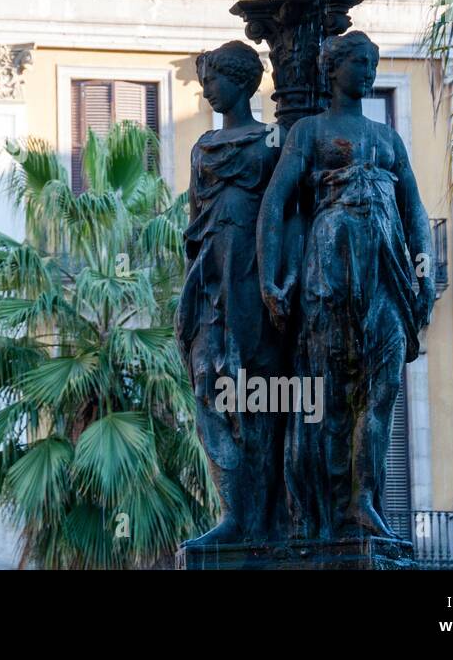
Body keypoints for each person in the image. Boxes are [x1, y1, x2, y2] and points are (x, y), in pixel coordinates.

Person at [257, 31, 434, 540]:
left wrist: (425, 273)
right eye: (358, 61)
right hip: (330, 270)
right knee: (331, 395)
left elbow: (415, 212)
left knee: (383, 390)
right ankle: (324, 508)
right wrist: (270, 276)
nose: (368, 70)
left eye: (373, 61)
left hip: (387, 275)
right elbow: (276, 201)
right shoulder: (309, 132)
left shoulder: (388, 139)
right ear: (331, 68)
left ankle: (363, 501)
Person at [177, 41, 286, 545]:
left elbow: (289, 214)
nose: (207, 87)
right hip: (208, 272)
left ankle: (260, 518)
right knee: (207, 384)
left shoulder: (273, 140)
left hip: (251, 271)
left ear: (242, 80)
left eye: (216, 77)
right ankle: (233, 512)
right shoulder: (202, 147)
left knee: (255, 393)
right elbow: (194, 218)